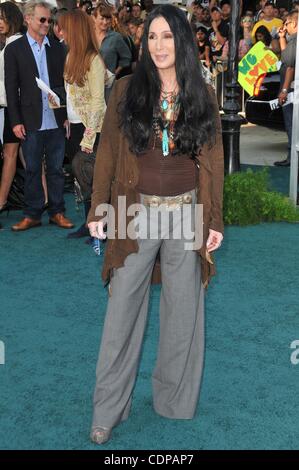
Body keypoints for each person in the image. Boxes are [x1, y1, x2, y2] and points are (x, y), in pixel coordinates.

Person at [87, 4, 224, 445]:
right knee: (121, 313)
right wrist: (97, 211)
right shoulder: (128, 90)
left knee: (184, 315)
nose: (159, 46)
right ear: (144, 43)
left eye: (167, 37)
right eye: (152, 37)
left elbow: (214, 163)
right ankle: (107, 410)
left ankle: (175, 402)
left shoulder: (202, 93)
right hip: (132, 213)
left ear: (181, 41)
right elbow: (107, 153)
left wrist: (214, 219)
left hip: (187, 215)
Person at [5, 0, 74, 231]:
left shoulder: (58, 48)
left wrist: (65, 114)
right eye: (42, 20)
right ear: (28, 20)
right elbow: (12, 88)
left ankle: (57, 212)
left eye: (49, 20)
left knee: (55, 170)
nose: (47, 24)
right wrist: (15, 121)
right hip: (29, 119)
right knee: (33, 169)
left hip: (55, 119)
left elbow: (63, 85)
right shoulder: (14, 50)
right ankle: (32, 214)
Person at [57, 8, 106, 239]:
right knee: (81, 177)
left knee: (96, 179)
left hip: (93, 128)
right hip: (76, 125)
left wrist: (89, 136)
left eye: (65, 27)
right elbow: (71, 94)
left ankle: (102, 227)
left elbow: (98, 101)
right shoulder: (70, 56)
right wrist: (64, 112)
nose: (61, 31)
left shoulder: (94, 60)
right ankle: (89, 224)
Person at [0, 2, 25, 215]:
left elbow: (13, 82)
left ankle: (1, 201)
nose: (0, 23)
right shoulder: (11, 43)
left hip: (12, 107)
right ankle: (45, 198)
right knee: (24, 153)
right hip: (12, 106)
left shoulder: (14, 44)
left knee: (11, 153)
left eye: (3, 18)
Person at [274, 10, 298, 167]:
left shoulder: (296, 41)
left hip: (291, 90)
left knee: (291, 123)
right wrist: (282, 38)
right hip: (293, 89)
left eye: (287, 23)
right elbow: (286, 55)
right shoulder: (293, 42)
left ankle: (292, 157)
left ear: (294, 23)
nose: (285, 26)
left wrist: (283, 91)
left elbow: (289, 67)